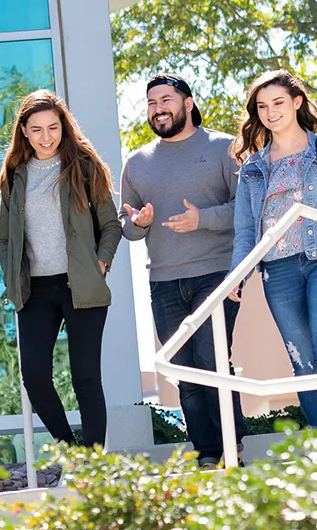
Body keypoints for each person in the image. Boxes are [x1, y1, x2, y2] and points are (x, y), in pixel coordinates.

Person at [228, 70, 317, 433]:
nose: (271, 112)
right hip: (277, 270)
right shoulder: (253, 169)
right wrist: (237, 274)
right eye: (262, 106)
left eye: (278, 102)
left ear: (297, 102)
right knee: (301, 358)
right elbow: (245, 230)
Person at [119, 74, 247, 468]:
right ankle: (207, 452)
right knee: (185, 372)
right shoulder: (136, 164)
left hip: (216, 274)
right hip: (163, 281)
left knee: (212, 361)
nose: (158, 108)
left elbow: (246, 210)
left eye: (166, 100)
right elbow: (128, 228)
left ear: (187, 103)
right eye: (151, 102)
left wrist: (202, 220)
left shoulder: (224, 147)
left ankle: (233, 448)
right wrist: (139, 223)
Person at [0, 89, 122, 448]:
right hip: (34, 291)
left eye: (53, 127)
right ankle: (72, 451)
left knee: (85, 379)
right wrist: (12, 278)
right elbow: (4, 239)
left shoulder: (84, 166)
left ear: (64, 127)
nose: (46, 137)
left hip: (81, 285)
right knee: (34, 376)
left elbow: (110, 225)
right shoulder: (14, 176)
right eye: (36, 129)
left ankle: (94, 462)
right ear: (23, 131)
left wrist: (101, 261)